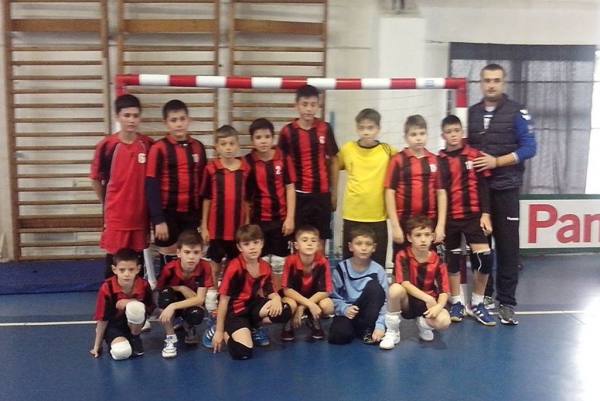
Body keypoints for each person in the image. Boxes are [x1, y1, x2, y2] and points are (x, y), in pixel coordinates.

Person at [467, 63, 537, 325]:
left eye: (496, 80)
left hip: (506, 189)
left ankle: (506, 303)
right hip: (478, 193)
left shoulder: (517, 112)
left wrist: (497, 162)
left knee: (508, 249)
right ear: (481, 83)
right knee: (480, 249)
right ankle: (483, 297)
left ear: (503, 83)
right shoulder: (472, 113)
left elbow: (530, 148)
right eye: (487, 80)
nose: (491, 85)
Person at [438, 115, 495, 326]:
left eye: (456, 131)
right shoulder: (439, 160)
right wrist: (439, 224)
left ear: (462, 132)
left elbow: (484, 186)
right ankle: (457, 302)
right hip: (450, 218)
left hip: (473, 216)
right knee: (452, 261)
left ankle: (478, 303)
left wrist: (486, 213)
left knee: (486, 258)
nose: (453, 135)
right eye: (449, 132)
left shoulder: (474, 155)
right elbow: (439, 192)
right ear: (443, 135)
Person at [90, 94, 153, 277]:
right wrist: (107, 202)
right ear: (117, 116)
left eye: (135, 115)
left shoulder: (148, 144)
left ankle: (138, 295)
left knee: (136, 262)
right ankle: (111, 294)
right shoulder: (107, 146)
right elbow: (95, 179)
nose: (131, 120)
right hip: (116, 217)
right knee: (115, 261)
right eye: (127, 115)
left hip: (140, 217)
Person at [212, 224, 293, 360]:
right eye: (247, 244)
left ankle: (252, 326)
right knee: (243, 352)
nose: (252, 247)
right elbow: (224, 301)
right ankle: (227, 331)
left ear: (262, 243)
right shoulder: (234, 268)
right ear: (240, 247)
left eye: (256, 242)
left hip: (252, 305)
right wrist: (219, 332)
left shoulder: (265, 266)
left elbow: (270, 291)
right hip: (235, 311)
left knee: (284, 311)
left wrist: (277, 299)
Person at [146, 99, 207, 275]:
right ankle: (168, 287)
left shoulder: (198, 147)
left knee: (190, 255)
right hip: (167, 214)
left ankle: (189, 288)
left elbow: (204, 185)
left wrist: (203, 219)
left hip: (191, 214)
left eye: (182, 119)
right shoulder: (158, 148)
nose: (179, 124)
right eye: (174, 120)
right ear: (166, 123)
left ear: (189, 120)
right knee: (169, 256)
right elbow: (151, 185)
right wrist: (158, 219)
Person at [200, 125, 250, 320]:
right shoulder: (211, 169)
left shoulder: (245, 169)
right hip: (216, 229)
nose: (228, 148)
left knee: (234, 265)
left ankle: (230, 294)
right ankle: (213, 294)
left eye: (231, 143)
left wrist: (247, 224)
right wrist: (204, 226)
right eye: (224, 144)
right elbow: (206, 199)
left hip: (237, 230)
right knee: (214, 265)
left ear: (237, 145)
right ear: (217, 147)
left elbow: (248, 200)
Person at [278, 85, 339, 246]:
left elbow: (334, 160)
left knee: (319, 242)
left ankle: (320, 264)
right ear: (296, 105)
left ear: (318, 105)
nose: (309, 109)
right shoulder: (287, 132)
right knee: (299, 243)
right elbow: (281, 165)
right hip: (298, 196)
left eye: (313, 104)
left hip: (322, 195)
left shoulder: (325, 128)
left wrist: (334, 193)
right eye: (304, 104)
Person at [379, 216, 451, 350]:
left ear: (432, 237)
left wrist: (438, 306)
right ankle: (392, 331)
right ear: (409, 238)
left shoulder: (438, 260)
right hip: (408, 301)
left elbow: (444, 290)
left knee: (444, 321)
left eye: (427, 235)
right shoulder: (402, 255)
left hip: (428, 304)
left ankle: (424, 324)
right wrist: (427, 298)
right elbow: (405, 283)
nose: (423, 239)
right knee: (395, 289)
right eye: (418, 235)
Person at [337, 108, 395, 267]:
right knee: (349, 263)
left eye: (370, 128)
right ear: (357, 129)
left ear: (378, 129)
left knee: (378, 264)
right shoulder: (348, 149)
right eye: (362, 128)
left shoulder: (388, 150)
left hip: (377, 216)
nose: (366, 132)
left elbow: (404, 162)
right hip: (353, 214)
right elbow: (332, 165)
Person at [384, 114, 447, 259]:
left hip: (428, 221)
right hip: (404, 221)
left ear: (427, 135)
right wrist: (395, 226)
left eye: (422, 134)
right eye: (413, 135)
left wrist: (440, 225)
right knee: (401, 262)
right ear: (406, 137)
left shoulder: (434, 160)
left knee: (428, 262)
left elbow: (441, 193)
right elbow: (389, 193)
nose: (418, 138)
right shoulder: (398, 160)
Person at [245, 117, 296, 275]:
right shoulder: (248, 162)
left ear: (273, 138)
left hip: (280, 221)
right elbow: (246, 198)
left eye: (267, 136)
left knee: (281, 263)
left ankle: (280, 290)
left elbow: (290, 188)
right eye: (258, 137)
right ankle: (262, 290)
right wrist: (247, 223)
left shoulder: (283, 158)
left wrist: (290, 218)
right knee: (260, 261)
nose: (263, 141)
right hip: (258, 221)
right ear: (252, 140)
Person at [155, 230, 213, 358]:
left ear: (202, 253)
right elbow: (160, 291)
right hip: (173, 299)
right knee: (165, 297)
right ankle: (170, 337)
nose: (191, 257)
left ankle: (188, 326)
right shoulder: (169, 269)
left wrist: (174, 304)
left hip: (190, 302)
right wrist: (180, 289)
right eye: (187, 252)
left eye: (196, 252)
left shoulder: (205, 267)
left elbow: (200, 299)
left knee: (197, 313)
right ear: (178, 253)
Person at [90, 248, 154, 360]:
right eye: (122, 270)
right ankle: (114, 340)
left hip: (135, 324)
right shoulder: (107, 288)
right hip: (113, 326)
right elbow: (102, 319)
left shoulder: (144, 285)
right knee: (122, 353)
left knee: (135, 307)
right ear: (114, 270)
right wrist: (97, 345)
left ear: (138, 269)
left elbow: (150, 308)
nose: (127, 274)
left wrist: (129, 302)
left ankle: (135, 338)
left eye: (131, 269)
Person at [329, 226, 388, 345]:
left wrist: (380, 325)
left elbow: (386, 301)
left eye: (368, 244)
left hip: (368, 314)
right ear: (351, 247)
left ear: (374, 248)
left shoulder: (378, 270)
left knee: (375, 287)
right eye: (359, 243)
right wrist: (344, 309)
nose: (364, 248)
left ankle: (369, 328)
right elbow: (333, 297)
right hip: (348, 312)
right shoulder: (341, 268)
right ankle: (356, 330)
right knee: (338, 337)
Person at [280, 225, 334, 341]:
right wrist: (307, 304)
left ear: (318, 245)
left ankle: (313, 319)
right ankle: (289, 323)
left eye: (313, 241)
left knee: (328, 306)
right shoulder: (290, 261)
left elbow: (326, 291)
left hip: (313, 297)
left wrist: (303, 307)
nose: (309, 243)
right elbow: (287, 290)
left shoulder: (323, 262)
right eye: (304, 240)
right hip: (294, 297)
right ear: (296, 245)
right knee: (290, 304)